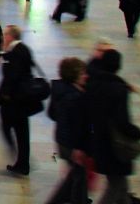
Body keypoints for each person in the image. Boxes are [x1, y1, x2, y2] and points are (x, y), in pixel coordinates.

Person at [86, 48, 138, 203]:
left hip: (98, 140)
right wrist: (136, 133)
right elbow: (122, 121)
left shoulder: (93, 84)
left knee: (120, 184)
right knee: (116, 185)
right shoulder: (118, 89)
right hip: (115, 145)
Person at [46, 57, 89, 204]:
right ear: (73, 75)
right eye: (82, 73)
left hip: (63, 140)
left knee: (75, 175)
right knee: (78, 176)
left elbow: (52, 114)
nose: (86, 76)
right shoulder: (73, 97)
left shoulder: (61, 90)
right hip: (71, 144)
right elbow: (77, 126)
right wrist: (78, 147)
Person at [0, 25, 36, 175]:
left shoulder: (16, 52)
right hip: (20, 98)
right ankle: (22, 162)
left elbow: (13, 75)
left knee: (9, 127)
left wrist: (5, 95)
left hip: (15, 99)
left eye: (5, 34)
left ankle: (20, 159)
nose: (3, 37)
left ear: (10, 36)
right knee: (22, 131)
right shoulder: (22, 49)